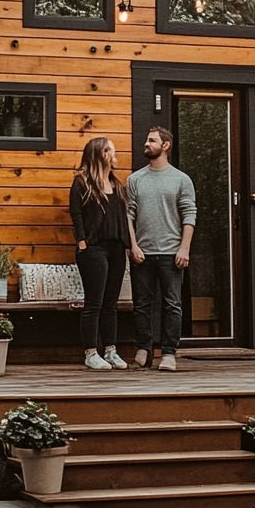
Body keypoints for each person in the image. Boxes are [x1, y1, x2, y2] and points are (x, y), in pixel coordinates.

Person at [127, 126, 196, 372]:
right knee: (142, 305)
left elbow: (189, 215)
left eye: (152, 140)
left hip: (171, 253)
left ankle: (168, 353)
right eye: (147, 140)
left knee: (172, 304)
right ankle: (144, 349)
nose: (146, 144)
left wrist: (184, 249)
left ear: (165, 145)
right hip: (142, 253)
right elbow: (129, 216)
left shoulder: (181, 179)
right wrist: (133, 246)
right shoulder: (134, 180)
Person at [68, 137, 132, 370]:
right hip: (94, 249)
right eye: (109, 150)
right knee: (94, 302)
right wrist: (82, 242)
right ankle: (91, 353)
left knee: (110, 303)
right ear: (98, 154)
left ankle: (111, 351)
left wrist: (129, 245)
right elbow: (76, 214)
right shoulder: (82, 183)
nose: (114, 154)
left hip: (117, 248)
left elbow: (125, 217)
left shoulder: (117, 184)